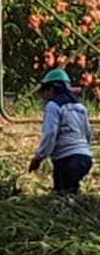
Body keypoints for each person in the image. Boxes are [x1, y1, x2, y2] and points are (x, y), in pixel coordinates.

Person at [29, 67, 92, 196]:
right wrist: (84, 150)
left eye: (45, 91)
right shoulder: (80, 107)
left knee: (62, 197)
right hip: (85, 158)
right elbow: (88, 133)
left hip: (66, 160)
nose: (44, 95)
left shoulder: (53, 106)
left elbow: (50, 134)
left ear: (52, 89)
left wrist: (38, 158)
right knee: (71, 192)